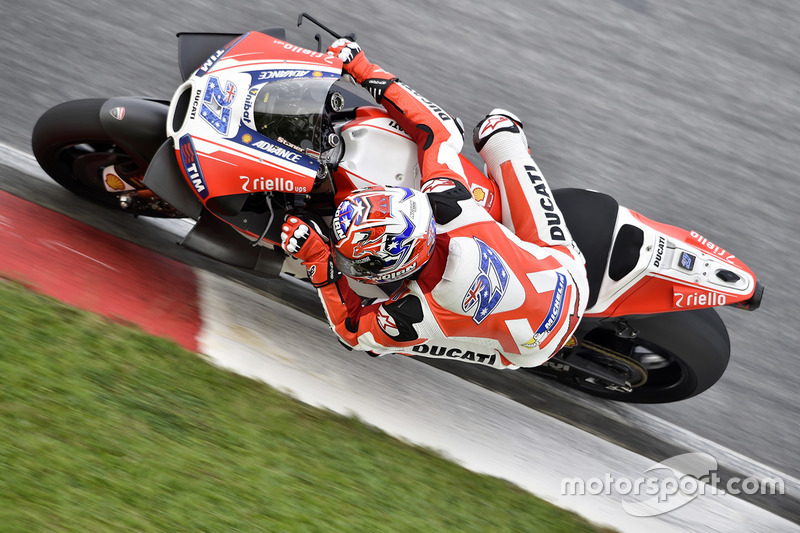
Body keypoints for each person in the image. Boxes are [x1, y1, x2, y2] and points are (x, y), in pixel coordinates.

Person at [280, 39, 588, 369]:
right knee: (497, 129)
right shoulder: (449, 204)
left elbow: (351, 332)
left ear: (399, 268)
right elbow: (437, 132)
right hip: (564, 279)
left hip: (528, 350)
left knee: (376, 345)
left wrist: (317, 256)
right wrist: (364, 69)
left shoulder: (413, 312)